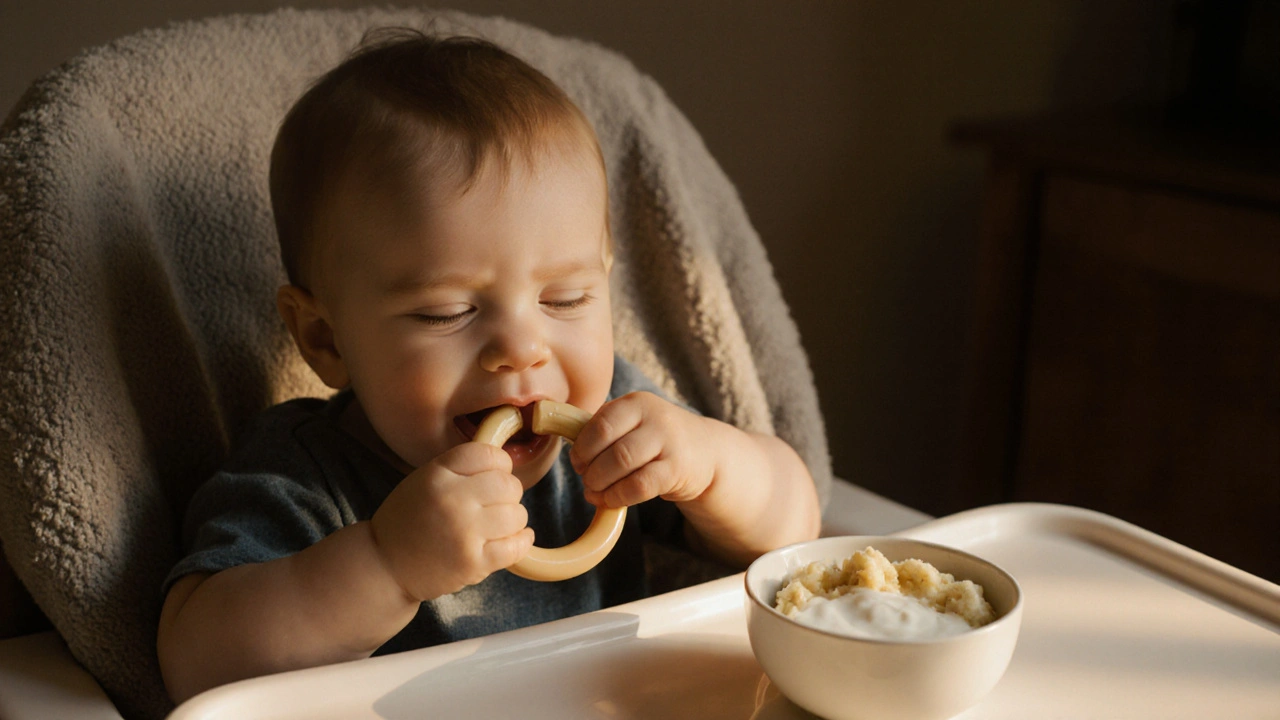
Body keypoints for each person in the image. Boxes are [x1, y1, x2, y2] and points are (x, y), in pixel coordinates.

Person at [156, 29, 820, 704]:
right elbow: (195, 666)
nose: (522, 349)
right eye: (447, 313)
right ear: (325, 339)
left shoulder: (610, 425)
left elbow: (797, 529)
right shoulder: (304, 480)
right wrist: (387, 563)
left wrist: (709, 463)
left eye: (566, 299)